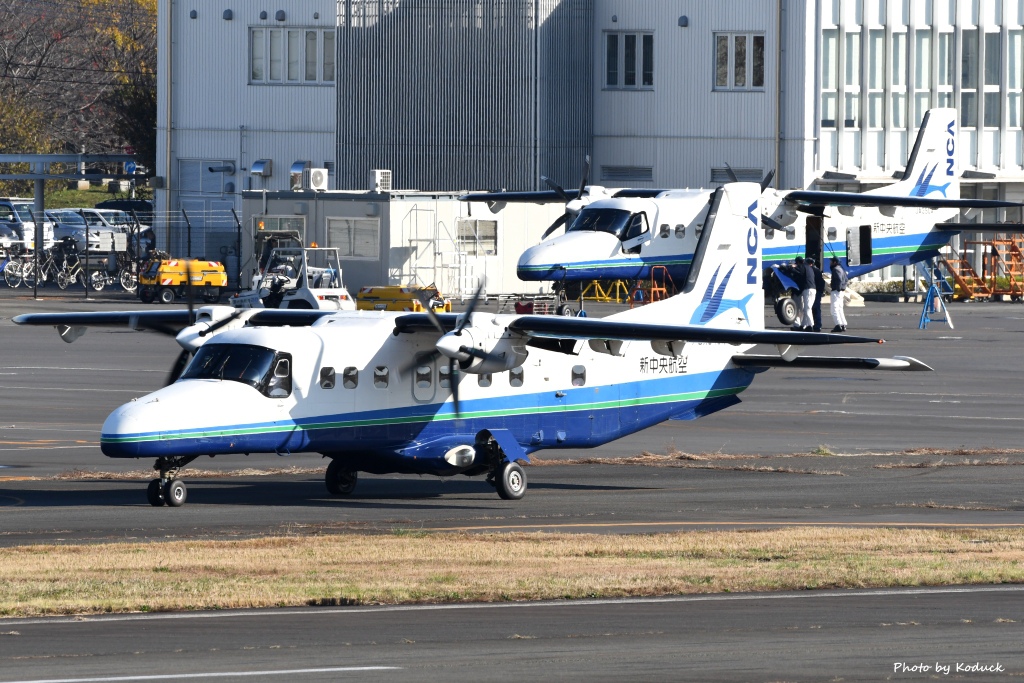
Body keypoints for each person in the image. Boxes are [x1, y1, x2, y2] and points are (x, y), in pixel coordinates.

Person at [829, 256, 848, 332]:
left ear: (835, 262)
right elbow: (846, 280)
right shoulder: (842, 269)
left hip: (836, 292)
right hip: (841, 292)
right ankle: (843, 324)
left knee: (834, 309)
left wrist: (838, 288)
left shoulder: (835, 269)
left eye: (831, 261)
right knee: (840, 309)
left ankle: (838, 325)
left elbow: (839, 280)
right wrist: (843, 287)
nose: (830, 263)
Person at [808, 257, 826, 332]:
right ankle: (817, 325)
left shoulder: (813, 271)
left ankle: (817, 325)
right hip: (818, 291)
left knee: (815, 308)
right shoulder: (817, 271)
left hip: (816, 291)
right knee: (815, 308)